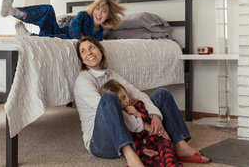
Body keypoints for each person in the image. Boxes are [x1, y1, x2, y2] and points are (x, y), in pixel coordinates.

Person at [74, 36, 210, 167]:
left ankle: (180, 145)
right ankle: (130, 155)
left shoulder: (111, 74)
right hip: (100, 143)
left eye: (92, 47)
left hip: (128, 132)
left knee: (162, 94)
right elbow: (107, 111)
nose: (89, 53)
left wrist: (155, 116)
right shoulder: (83, 80)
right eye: (83, 51)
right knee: (109, 98)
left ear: (100, 50)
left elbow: (139, 95)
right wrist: (145, 126)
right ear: (82, 60)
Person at [99, 79, 182, 167]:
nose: (124, 103)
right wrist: (142, 150)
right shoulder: (118, 121)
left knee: (166, 153)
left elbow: (150, 120)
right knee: (149, 161)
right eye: (119, 102)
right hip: (143, 148)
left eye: (124, 97)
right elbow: (129, 140)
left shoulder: (138, 104)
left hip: (157, 139)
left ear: (126, 93)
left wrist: (138, 114)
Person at [0, 0, 125, 40]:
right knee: (49, 9)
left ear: (107, 16)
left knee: (65, 39)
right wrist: (79, 39)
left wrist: (83, 41)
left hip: (61, 37)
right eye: (97, 9)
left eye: (104, 11)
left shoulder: (100, 32)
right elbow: (73, 25)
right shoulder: (83, 15)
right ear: (93, 9)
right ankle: (15, 12)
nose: (99, 13)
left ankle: (30, 37)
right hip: (57, 30)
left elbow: (93, 44)